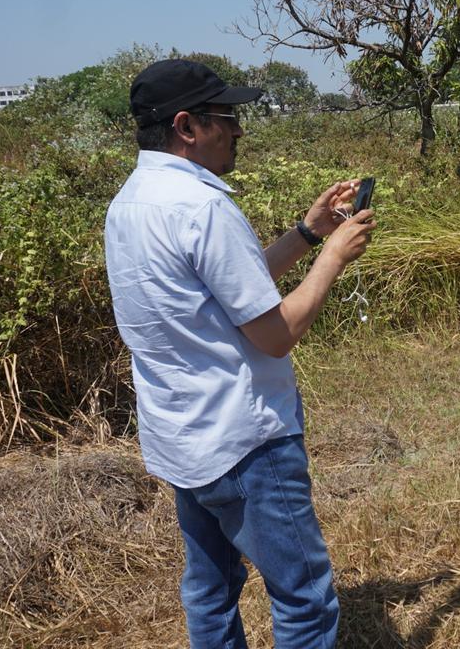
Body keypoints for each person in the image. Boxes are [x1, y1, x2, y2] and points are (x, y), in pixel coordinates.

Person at [104, 58, 374, 648]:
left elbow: (230, 293)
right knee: (303, 600)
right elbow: (275, 334)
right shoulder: (202, 206)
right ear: (187, 126)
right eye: (227, 117)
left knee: (210, 589)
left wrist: (308, 234)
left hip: (182, 436)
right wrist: (334, 258)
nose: (238, 131)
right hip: (246, 441)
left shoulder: (132, 201)